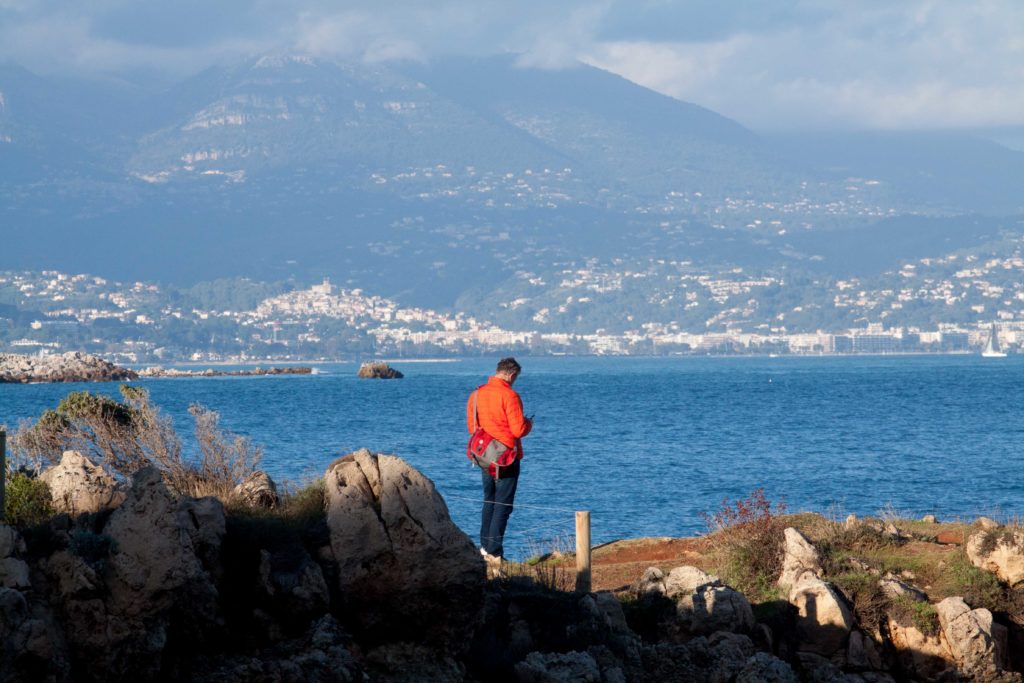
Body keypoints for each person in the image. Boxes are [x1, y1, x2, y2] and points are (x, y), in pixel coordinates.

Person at [466, 357, 532, 564]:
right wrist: (529, 423)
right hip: (506, 457)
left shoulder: (476, 394)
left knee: (489, 500)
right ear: (511, 375)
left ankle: (485, 548)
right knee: (503, 505)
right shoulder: (510, 395)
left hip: (484, 455)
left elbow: (472, 427)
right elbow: (518, 429)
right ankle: (494, 552)